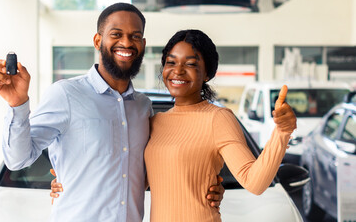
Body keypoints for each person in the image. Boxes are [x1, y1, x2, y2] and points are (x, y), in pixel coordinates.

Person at [0, 3, 223, 222]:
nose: (126, 42)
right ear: (97, 40)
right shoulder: (66, 94)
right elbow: (17, 159)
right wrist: (18, 104)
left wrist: (207, 185)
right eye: (116, 34)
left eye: (135, 36)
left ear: (142, 44)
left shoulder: (143, 107)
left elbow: (161, 167)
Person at [51, 29, 297, 222]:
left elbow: (254, 182)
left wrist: (282, 132)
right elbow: (133, 177)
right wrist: (73, 178)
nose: (177, 71)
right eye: (171, 62)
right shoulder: (155, 122)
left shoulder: (218, 118)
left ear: (207, 73)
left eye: (190, 64)